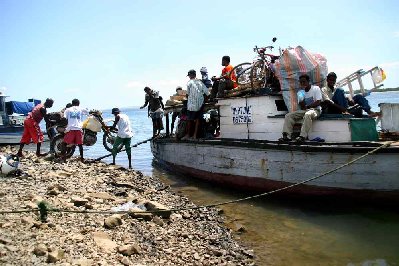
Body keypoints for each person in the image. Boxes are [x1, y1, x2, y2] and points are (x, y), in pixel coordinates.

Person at [279, 74, 322, 142]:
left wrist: (308, 106)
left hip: (316, 110)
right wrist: (301, 100)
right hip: (305, 110)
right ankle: (287, 136)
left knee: (308, 114)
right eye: (301, 82)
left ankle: (302, 136)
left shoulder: (315, 88)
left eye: (304, 82)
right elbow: (303, 107)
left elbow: (318, 102)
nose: (302, 84)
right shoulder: (301, 92)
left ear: (308, 81)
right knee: (288, 115)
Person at [182, 69, 210, 140]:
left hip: (192, 105)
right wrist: (203, 100)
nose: (189, 77)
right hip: (200, 104)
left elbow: (187, 95)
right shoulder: (200, 82)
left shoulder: (189, 83)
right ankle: (194, 135)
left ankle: (188, 135)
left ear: (191, 75)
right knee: (197, 119)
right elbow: (208, 93)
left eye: (189, 75)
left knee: (189, 119)